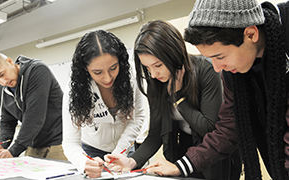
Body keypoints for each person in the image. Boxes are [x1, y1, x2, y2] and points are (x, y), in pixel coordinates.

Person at [143, 0, 289, 179]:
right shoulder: (233, 74)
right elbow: (228, 128)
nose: (217, 68)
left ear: (251, 34)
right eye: (210, 58)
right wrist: (182, 166)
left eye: (220, 56)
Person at [105, 20, 241, 179]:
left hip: (213, 155)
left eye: (158, 65)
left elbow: (209, 129)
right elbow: (155, 134)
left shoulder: (207, 70)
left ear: (174, 54)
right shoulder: (156, 81)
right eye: (148, 68)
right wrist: (132, 161)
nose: (154, 74)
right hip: (182, 150)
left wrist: (178, 97)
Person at [62, 30, 146, 178]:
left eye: (113, 68)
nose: (107, 78)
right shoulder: (74, 90)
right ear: (85, 69)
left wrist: (120, 151)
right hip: (90, 151)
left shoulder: (131, 80)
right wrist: (83, 162)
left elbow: (136, 119)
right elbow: (70, 141)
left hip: (124, 148)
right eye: (98, 72)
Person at [0, 51, 67, 161]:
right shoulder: (1, 89)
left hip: (59, 141)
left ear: (9, 61)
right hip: (33, 143)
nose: (3, 82)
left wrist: (14, 150)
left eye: (1, 74)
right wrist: (2, 144)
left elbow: (34, 117)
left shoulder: (37, 71)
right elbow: (7, 121)